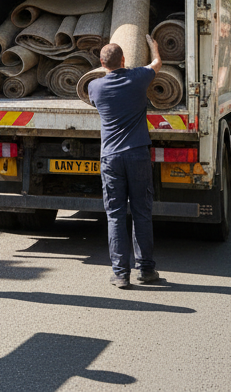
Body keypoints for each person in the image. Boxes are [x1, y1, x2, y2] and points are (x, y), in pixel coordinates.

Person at [87, 37, 163, 289]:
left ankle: (120, 274)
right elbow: (157, 63)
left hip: (111, 158)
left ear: (101, 63)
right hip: (138, 154)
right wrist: (153, 47)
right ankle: (146, 270)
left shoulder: (94, 87)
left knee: (115, 215)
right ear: (123, 60)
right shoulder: (137, 78)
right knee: (141, 212)